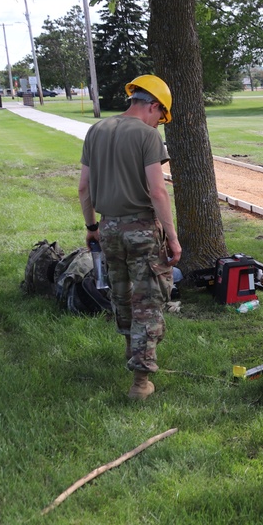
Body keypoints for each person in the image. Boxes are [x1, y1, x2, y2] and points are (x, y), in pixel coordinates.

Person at [78, 74, 182, 400]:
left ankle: (131, 350)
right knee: (149, 299)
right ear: (153, 105)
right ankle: (140, 382)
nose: (158, 125)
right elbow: (157, 191)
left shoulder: (95, 131)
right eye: (159, 118)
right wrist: (174, 239)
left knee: (120, 294)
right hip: (142, 230)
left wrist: (92, 227)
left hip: (108, 228)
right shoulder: (147, 137)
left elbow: (84, 188)